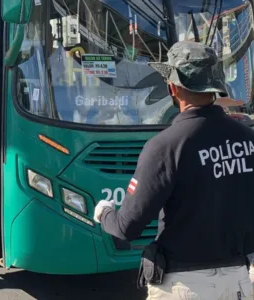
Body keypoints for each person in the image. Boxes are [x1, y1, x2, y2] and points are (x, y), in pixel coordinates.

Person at [93, 40, 254, 299]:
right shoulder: (247, 139)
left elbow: (127, 228)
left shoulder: (165, 146)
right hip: (238, 284)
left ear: (172, 88)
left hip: (184, 286)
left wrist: (104, 213)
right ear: (215, 87)